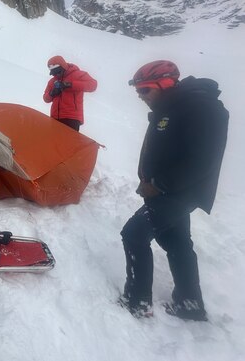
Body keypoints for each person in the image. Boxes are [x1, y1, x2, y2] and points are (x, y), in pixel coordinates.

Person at [119, 60, 228, 321]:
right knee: (176, 242)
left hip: (178, 193)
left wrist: (158, 185)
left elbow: (201, 161)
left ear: (165, 84)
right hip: (172, 191)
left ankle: (137, 301)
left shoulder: (200, 107)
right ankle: (190, 305)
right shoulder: (174, 105)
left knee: (134, 234)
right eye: (138, 91)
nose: (140, 96)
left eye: (145, 90)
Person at [42, 55, 97, 131]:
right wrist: (52, 93)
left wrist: (71, 85)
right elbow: (45, 98)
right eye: (54, 73)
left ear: (63, 67)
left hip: (72, 118)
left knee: (69, 142)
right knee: (55, 142)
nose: (56, 75)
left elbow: (93, 85)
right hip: (55, 118)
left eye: (58, 72)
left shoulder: (77, 75)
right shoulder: (52, 82)